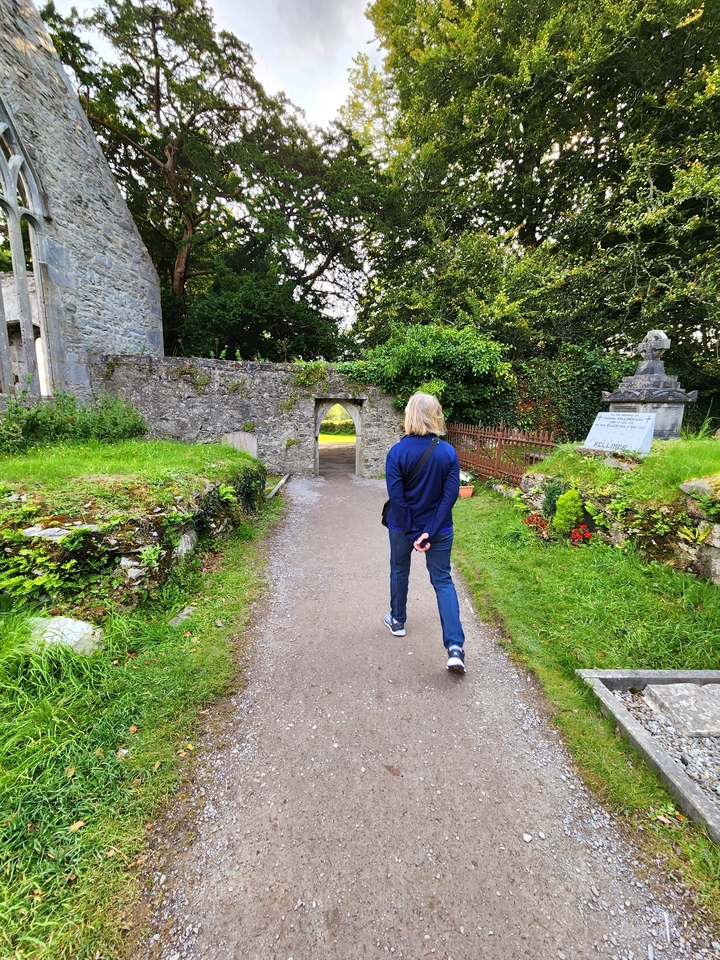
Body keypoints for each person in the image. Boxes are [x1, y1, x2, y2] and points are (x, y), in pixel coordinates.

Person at [384, 392, 466, 673]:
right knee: (443, 580)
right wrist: (428, 532)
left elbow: (397, 497)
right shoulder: (447, 452)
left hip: (401, 527)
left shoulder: (397, 452)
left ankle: (397, 620)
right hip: (439, 528)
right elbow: (450, 495)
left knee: (399, 569)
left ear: (409, 416)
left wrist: (412, 533)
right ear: (436, 415)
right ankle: (455, 648)